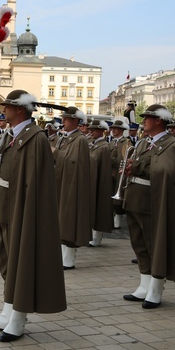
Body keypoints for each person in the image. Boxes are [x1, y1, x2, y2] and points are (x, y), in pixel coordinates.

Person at [0, 89, 66, 341]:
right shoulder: (9, 135)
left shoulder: (35, 137)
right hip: (4, 205)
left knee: (21, 262)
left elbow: (35, 181)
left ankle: (18, 317)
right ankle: (8, 310)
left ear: (19, 110)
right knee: (8, 260)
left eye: (7, 106)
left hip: (22, 207)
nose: (3, 110)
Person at [122, 104, 175, 309]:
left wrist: (137, 167)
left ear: (159, 120)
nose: (143, 121)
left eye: (147, 118)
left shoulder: (171, 145)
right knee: (139, 244)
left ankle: (156, 288)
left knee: (155, 245)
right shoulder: (144, 143)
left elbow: (167, 171)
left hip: (154, 202)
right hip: (136, 198)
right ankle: (144, 284)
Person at [53, 106, 92, 269]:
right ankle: (62, 256)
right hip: (62, 183)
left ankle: (68, 259)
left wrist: (55, 152)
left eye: (66, 119)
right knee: (61, 220)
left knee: (69, 221)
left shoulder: (80, 140)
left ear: (75, 121)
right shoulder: (65, 138)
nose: (63, 122)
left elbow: (74, 163)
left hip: (72, 185)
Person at [87, 119, 114, 247]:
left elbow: (103, 168)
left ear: (101, 131)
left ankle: (96, 237)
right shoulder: (92, 144)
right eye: (90, 129)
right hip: (91, 179)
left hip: (99, 181)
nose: (90, 132)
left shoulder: (104, 147)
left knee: (98, 207)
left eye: (93, 130)